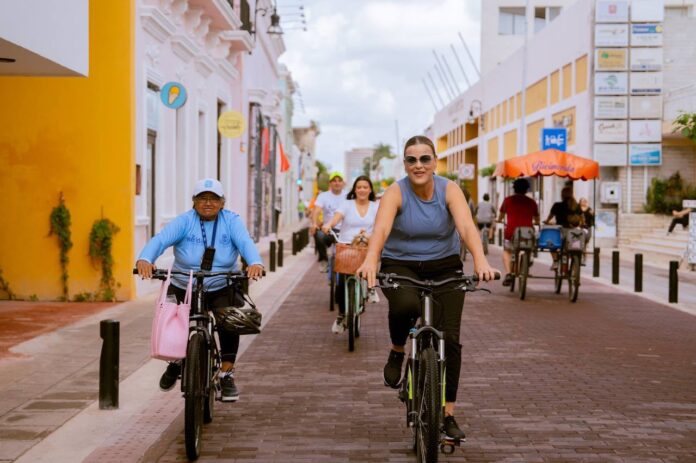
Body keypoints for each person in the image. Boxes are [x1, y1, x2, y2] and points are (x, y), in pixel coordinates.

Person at [357, 135, 498, 441]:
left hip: (445, 265)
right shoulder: (396, 191)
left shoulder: (449, 189)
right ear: (405, 163)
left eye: (424, 159)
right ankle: (397, 351)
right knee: (406, 306)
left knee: (451, 338)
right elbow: (380, 230)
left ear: (434, 162)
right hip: (400, 265)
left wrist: (481, 261)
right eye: (411, 159)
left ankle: (447, 415)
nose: (418, 165)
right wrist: (371, 260)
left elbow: (465, 227)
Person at [136, 178, 264, 402]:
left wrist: (255, 262)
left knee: (229, 322)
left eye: (213, 199)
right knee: (172, 322)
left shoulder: (231, 221)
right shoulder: (185, 221)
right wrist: (145, 259)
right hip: (184, 282)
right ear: (194, 202)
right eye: (202, 198)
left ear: (222, 202)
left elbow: (245, 242)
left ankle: (226, 373)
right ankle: (175, 361)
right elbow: (161, 240)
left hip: (221, 281)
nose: (208, 203)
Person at [321, 175, 379, 333]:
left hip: (367, 245)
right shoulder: (346, 204)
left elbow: (381, 225)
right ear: (354, 189)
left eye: (365, 187)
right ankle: (341, 315)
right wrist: (328, 225)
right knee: (340, 284)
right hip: (346, 245)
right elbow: (336, 218)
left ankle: (371, 288)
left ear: (370, 190)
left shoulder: (376, 206)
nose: (361, 190)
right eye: (359, 187)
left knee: (373, 262)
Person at [497, 178, 540, 286]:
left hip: (511, 232)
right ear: (526, 189)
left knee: (507, 251)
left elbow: (501, 217)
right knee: (528, 247)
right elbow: (537, 219)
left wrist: (499, 220)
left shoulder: (507, 200)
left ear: (514, 188)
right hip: (528, 233)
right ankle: (528, 258)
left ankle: (508, 273)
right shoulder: (532, 202)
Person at [310, 172, 346, 268]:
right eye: (334, 181)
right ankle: (323, 260)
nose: (337, 183)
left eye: (339, 181)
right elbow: (316, 211)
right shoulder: (323, 196)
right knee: (319, 235)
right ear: (330, 183)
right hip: (328, 230)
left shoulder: (348, 196)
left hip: (344, 231)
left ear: (343, 183)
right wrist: (314, 223)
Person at [545, 187, 583, 270]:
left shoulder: (557, 205)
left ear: (562, 195)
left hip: (560, 230)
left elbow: (550, 217)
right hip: (573, 231)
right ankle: (575, 261)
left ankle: (555, 261)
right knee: (574, 246)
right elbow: (582, 218)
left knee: (550, 242)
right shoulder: (577, 206)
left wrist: (547, 221)